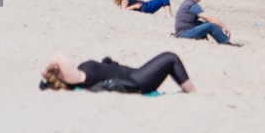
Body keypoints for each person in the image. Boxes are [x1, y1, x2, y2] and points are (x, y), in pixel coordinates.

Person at [39, 52, 196, 94]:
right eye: (56, 70)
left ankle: (190, 91)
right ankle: (193, 93)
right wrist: (46, 71)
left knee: (169, 59)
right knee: (170, 57)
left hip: (134, 73)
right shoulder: (76, 79)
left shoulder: (78, 73)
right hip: (136, 80)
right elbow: (58, 57)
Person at [174, 0, 239, 45]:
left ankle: (223, 40)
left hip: (182, 31)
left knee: (209, 24)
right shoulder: (191, 5)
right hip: (184, 33)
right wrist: (224, 27)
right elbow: (209, 18)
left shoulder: (187, 3)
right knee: (211, 25)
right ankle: (225, 42)